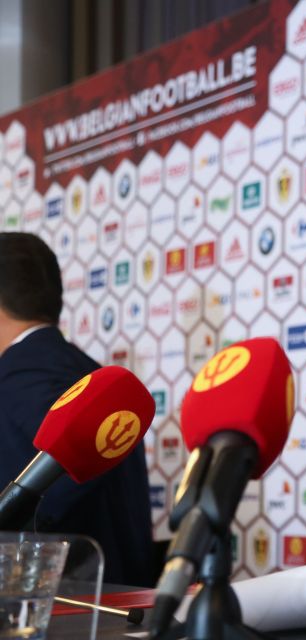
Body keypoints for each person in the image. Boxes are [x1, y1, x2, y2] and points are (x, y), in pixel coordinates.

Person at [0, 232, 154, 586]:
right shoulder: (93, 374)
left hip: (59, 611)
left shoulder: (19, 376)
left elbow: (59, 490)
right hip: (121, 602)